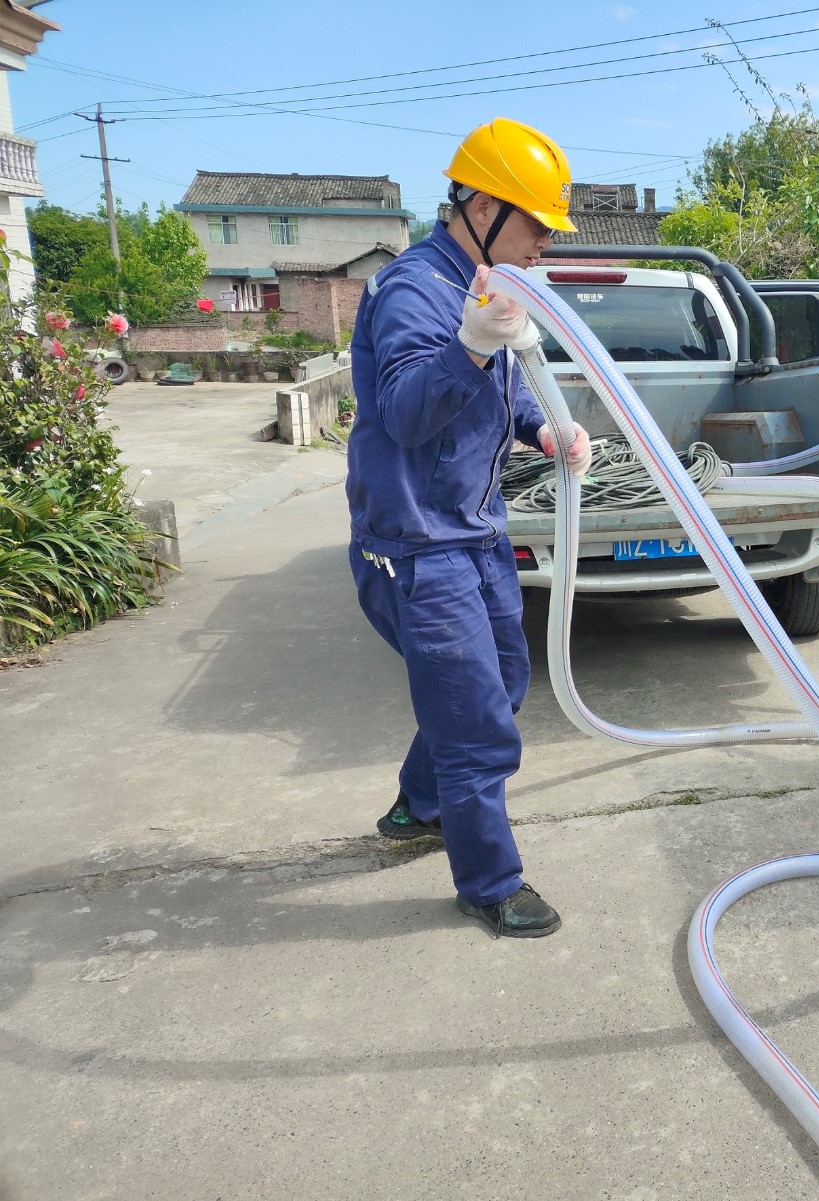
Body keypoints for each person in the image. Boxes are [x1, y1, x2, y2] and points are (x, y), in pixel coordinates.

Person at [345, 117, 592, 939]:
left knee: (504, 679)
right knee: (476, 719)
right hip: (417, 543)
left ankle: (420, 805)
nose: (543, 246)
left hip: (474, 530)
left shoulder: (487, 284)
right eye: (536, 226)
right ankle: (489, 881)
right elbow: (406, 413)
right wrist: (471, 347)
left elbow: (506, 389)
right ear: (482, 206)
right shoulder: (414, 289)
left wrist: (544, 429)